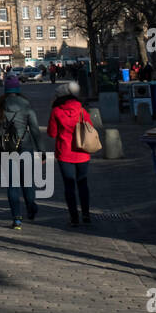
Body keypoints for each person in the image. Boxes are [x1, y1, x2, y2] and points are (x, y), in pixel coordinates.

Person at [0, 78, 43, 229]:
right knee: (27, 181)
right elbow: (34, 130)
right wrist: (42, 151)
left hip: (5, 149)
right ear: (18, 89)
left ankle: (17, 218)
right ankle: (31, 208)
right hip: (24, 146)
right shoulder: (26, 105)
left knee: (12, 185)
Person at [46, 80, 93, 225]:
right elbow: (90, 128)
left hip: (65, 153)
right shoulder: (82, 110)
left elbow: (52, 133)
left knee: (69, 186)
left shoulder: (56, 111)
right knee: (83, 183)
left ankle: (74, 217)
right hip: (82, 152)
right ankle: (86, 214)